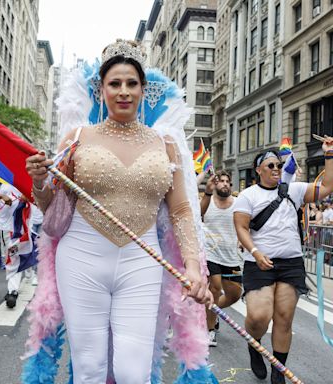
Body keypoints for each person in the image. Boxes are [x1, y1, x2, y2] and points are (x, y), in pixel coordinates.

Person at [25, 40, 213, 383]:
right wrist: (39, 182)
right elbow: (52, 210)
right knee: (89, 368)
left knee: (133, 371)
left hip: (141, 261)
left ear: (143, 89)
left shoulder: (165, 144)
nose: (123, 92)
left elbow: (182, 210)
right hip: (81, 258)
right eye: (115, 83)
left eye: (131, 83)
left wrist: (192, 268)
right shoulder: (76, 138)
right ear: (102, 90)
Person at [233, 144, 333, 384]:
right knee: (258, 317)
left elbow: (328, 186)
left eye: (279, 165)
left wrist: (329, 154)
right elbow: (241, 228)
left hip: (290, 263)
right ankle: (254, 346)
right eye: (271, 165)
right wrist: (255, 253)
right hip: (258, 264)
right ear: (259, 170)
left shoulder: (294, 190)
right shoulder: (248, 196)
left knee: (284, 317)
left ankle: (279, 369)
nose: (277, 169)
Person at [200, 170, 242, 347]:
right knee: (215, 288)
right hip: (211, 253)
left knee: (234, 295)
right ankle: (209, 331)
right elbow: (197, 215)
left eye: (227, 181)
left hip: (231, 255)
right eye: (221, 181)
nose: (225, 183)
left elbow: (245, 223)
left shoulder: (238, 203)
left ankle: (211, 313)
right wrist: (208, 192)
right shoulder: (207, 200)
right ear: (215, 184)